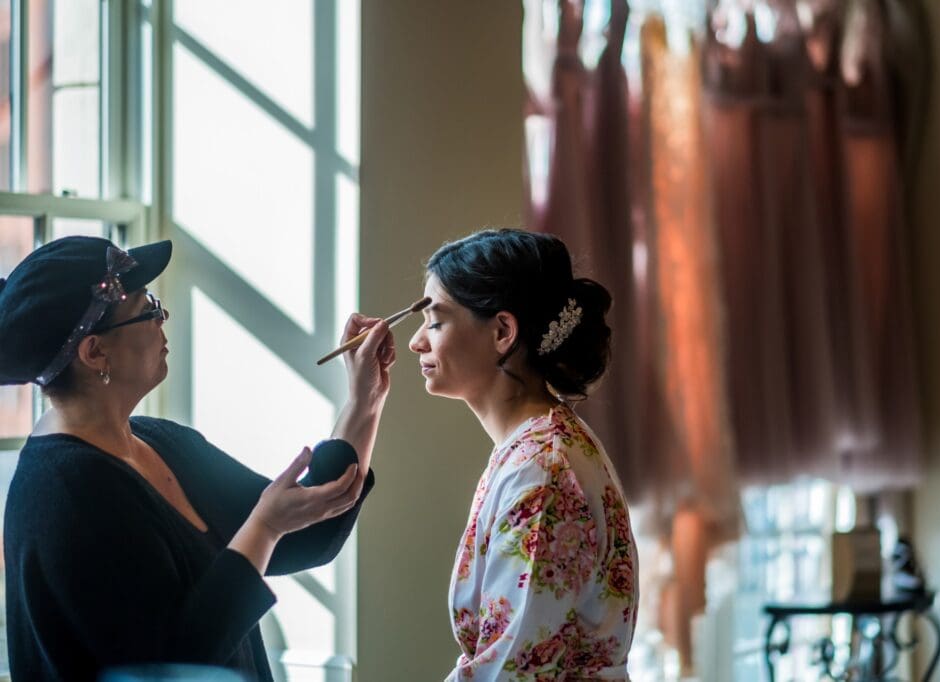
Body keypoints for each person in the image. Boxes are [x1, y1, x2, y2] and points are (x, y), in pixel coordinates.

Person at [0, 236, 395, 681]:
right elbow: (173, 664)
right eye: (147, 309)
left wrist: (364, 400)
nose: (162, 318)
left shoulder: (161, 442)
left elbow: (310, 533)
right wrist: (264, 528)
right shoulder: (64, 496)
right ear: (94, 352)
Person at [409, 228, 638, 680]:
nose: (417, 341)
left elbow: (514, 670)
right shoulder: (535, 448)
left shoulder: (541, 469)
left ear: (502, 331)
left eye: (435, 321)